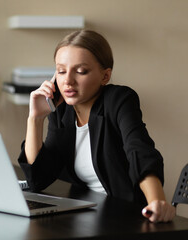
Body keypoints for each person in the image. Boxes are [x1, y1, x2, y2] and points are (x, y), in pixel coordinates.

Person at [18, 30, 176, 223]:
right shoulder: (62, 111)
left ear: (105, 76)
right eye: (61, 71)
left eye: (81, 71)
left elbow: (139, 151)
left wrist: (157, 201)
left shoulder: (119, 100)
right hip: (87, 212)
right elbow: (37, 180)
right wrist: (35, 118)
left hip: (125, 215)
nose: (67, 80)